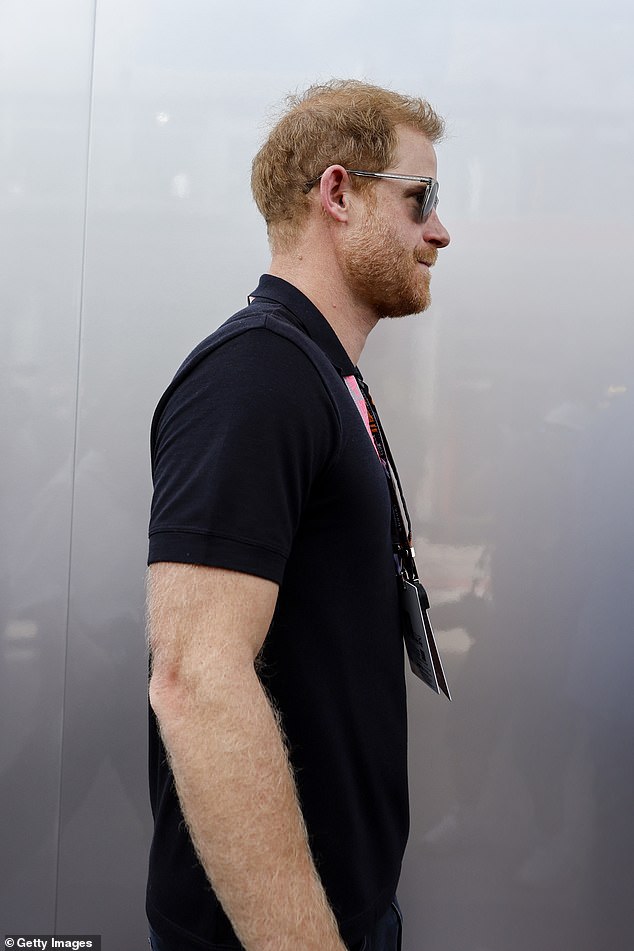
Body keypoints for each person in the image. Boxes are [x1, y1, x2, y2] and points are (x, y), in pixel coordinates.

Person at [146, 79, 451, 951]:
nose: (440, 230)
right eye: (422, 197)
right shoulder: (256, 376)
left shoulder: (321, 374)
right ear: (339, 193)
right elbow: (195, 682)